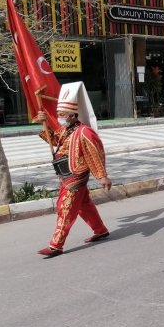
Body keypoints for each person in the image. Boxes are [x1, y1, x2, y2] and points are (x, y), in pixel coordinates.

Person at [35, 82, 112, 257]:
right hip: (65, 173)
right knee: (84, 204)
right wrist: (44, 124)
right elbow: (54, 141)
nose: (59, 117)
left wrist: (102, 176)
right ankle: (100, 230)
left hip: (76, 175)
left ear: (72, 115)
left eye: (62, 114)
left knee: (65, 207)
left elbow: (95, 154)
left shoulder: (85, 132)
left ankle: (56, 245)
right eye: (58, 114)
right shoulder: (65, 130)